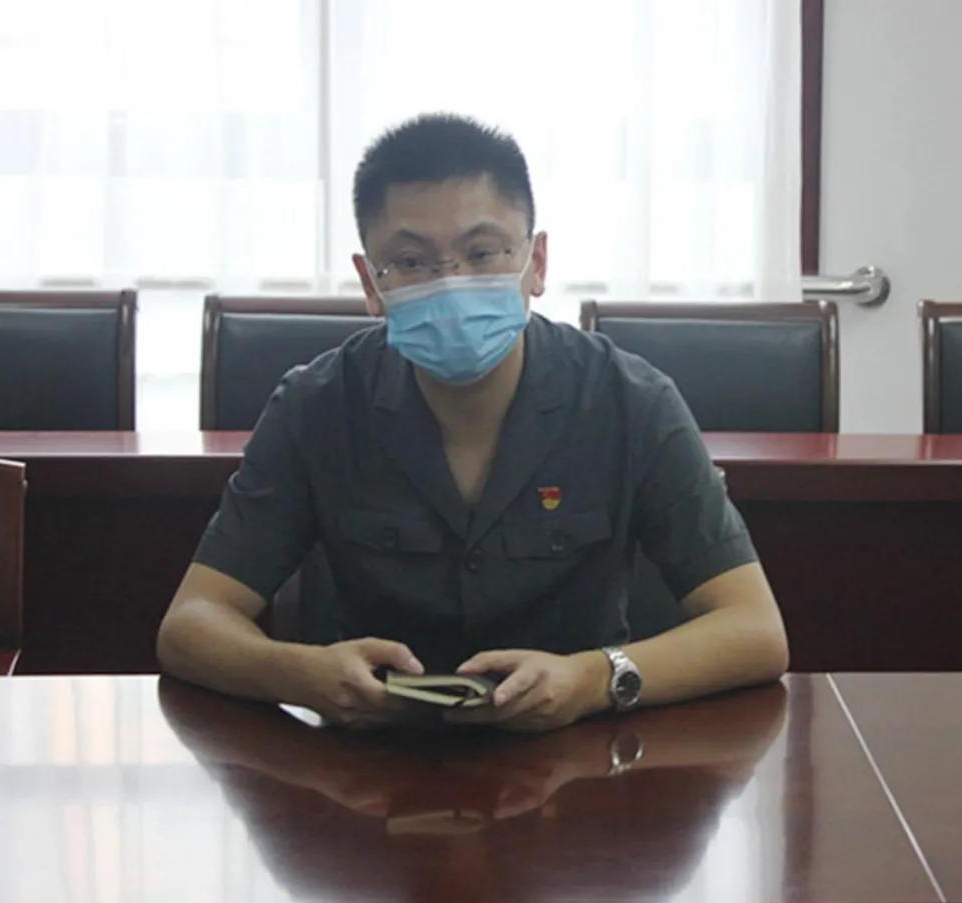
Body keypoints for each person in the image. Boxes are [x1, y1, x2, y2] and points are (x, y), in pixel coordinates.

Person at [157, 113, 788, 732]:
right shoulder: (315, 406)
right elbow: (191, 624)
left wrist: (592, 680)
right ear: (371, 284)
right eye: (411, 261)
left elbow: (755, 630)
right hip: (370, 763)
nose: (451, 284)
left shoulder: (631, 401)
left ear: (537, 263)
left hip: (580, 759)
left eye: (482, 252)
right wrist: (299, 674)